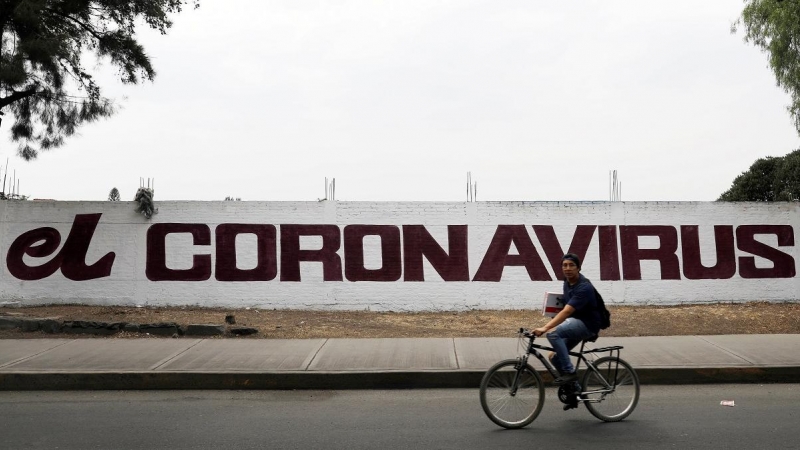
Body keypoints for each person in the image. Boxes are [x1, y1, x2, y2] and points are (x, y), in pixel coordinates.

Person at [533, 253, 602, 388]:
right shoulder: (567, 282)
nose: (568, 268)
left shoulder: (584, 287)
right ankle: (575, 390)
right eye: (565, 265)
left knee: (552, 333)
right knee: (554, 357)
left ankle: (570, 372)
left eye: (571, 265)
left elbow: (567, 311)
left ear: (578, 268)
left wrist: (544, 327)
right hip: (576, 323)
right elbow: (565, 305)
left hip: (588, 324)